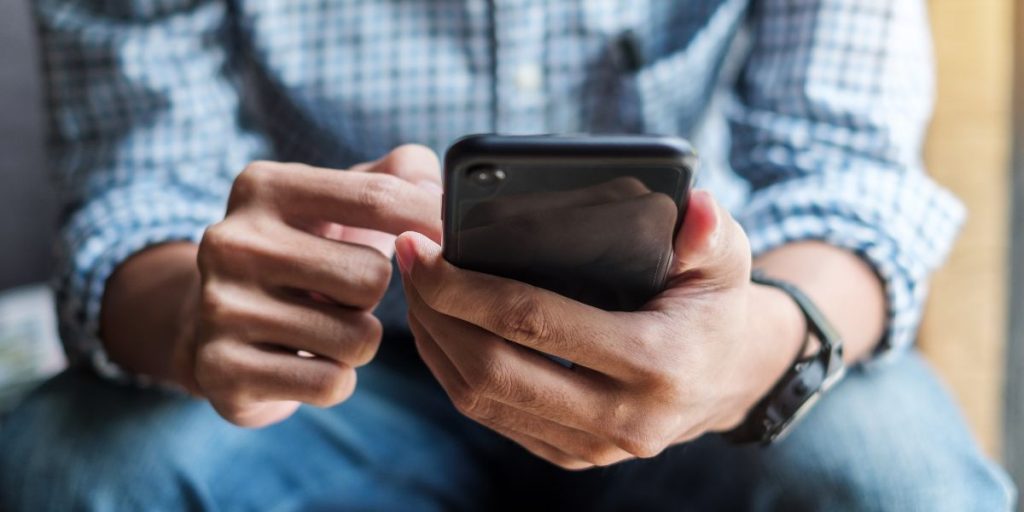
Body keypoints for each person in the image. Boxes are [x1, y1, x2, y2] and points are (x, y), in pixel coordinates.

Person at [0, 0, 1015, 510]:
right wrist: (194, 316)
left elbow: (844, 172)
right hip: (342, 371)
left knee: (897, 477)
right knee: (66, 468)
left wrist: (755, 352)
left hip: (713, 342)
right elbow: (136, 187)